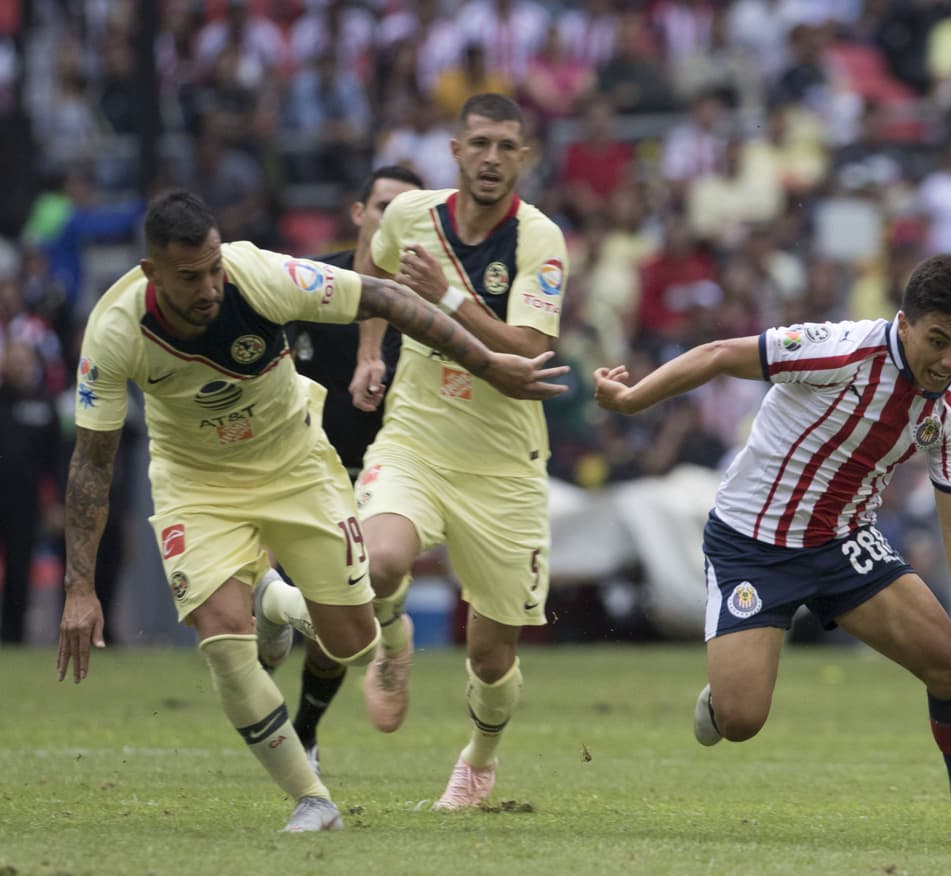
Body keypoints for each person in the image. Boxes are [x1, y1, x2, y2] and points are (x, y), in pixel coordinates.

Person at [56, 189, 567, 833]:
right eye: (191, 277)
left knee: (354, 645)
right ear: (152, 273)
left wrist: (490, 363)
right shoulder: (112, 331)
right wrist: (80, 586)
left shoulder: (260, 275)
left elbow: (383, 298)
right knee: (221, 637)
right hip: (197, 481)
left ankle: (274, 602)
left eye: (214, 267)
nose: (211, 286)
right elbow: (92, 463)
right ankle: (312, 799)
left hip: (296, 463)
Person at [592, 253, 951, 847]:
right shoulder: (839, 349)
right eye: (938, 341)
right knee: (742, 720)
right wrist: (631, 401)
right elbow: (719, 354)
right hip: (751, 542)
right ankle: (726, 695)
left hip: (844, 544)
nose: (950, 361)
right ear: (904, 321)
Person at [331, 92, 568, 809]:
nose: (492, 158)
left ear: (522, 158)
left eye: (506, 146)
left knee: (491, 657)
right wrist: (370, 352)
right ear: (455, 151)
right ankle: (394, 639)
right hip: (417, 440)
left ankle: (479, 759)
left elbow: (529, 350)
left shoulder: (539, 240)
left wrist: (450, 298)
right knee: (379, 563)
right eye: (480, 144)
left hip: (503, 466)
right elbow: (371, 266)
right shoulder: (409, 216)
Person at [255, 165, 425, 776]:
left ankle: (305, 731)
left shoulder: (427, 306)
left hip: (378, 482)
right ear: (359, 213)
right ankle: (384, 622)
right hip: (295, 470)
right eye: (383, 206)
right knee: (273, 612)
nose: (391, 221)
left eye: (408, 211)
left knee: (336, 613)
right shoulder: (310, 283)